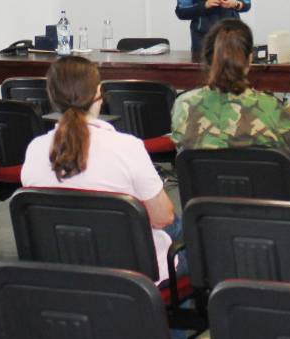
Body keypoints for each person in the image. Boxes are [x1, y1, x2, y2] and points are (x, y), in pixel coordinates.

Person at [21, 55, 176, 278]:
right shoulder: (127, 147)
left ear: (52, 95)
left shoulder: (35, 149)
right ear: (98, 93)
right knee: (187, 235)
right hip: (130, 276)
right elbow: (163, 218)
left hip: (60, 269)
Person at [170, 19, 290, 205]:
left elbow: (183, 155)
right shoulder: (272, 108)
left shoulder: (184, 105)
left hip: (208, 208)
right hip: (274, 210)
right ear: (250, 59)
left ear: (206, 59)